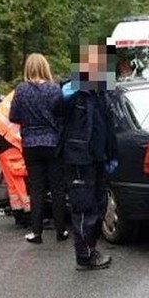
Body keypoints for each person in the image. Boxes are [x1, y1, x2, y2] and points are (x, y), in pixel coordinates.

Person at [58, 42, 119, 270]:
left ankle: (90, 250)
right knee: (83, 208)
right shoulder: (74, 93)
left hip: (98, 159)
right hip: (78, 160)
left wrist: (112, 155)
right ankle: (84, 256)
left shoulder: (102, 94)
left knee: (99, 206)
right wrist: (65, 93)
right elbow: (56, 109)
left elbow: (108, 127)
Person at [9, 53, 68, 243]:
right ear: (45, 67)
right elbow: (62, 115)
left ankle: (37, 232)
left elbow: (13, 116)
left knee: (36, 189)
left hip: (31, 144)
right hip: (52, 143)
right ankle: (61, 230)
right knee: (58, 188)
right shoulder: (54, 89)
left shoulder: (21, 90)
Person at [0, 89, 32, 226]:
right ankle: (29, 213)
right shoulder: (29, 93)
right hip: (6, 135)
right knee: (19, 175)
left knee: (12, 179)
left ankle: (19, 213)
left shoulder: (20, 91)